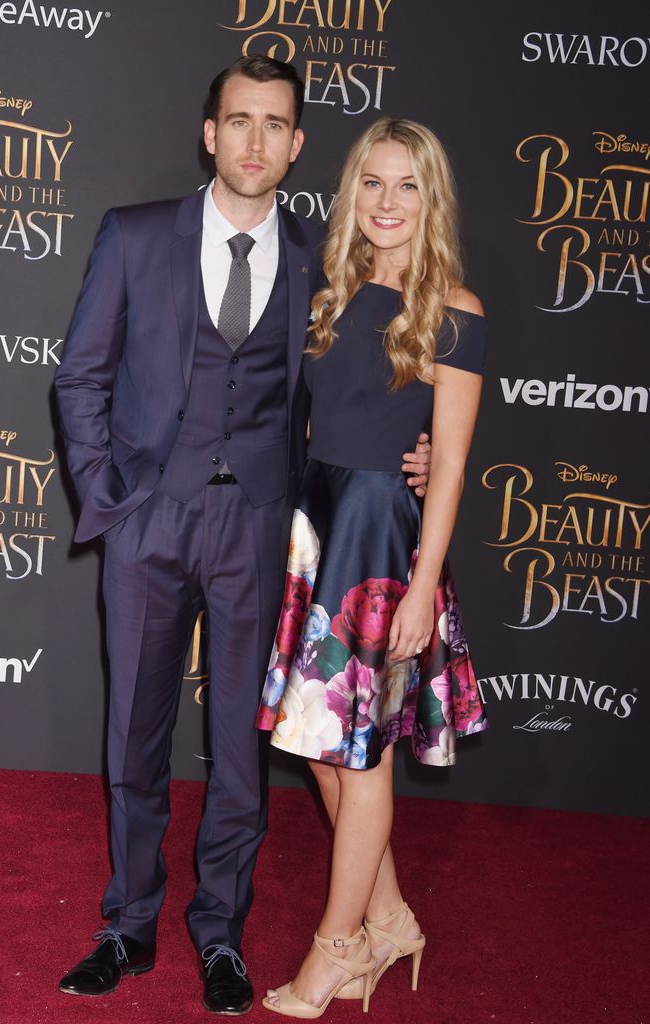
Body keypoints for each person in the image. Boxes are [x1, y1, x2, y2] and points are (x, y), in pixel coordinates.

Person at [54, 59, 431, 1015]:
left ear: (297, 144)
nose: (255, 141)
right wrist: (110, 498)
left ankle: (218, 930)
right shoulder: (137, 236)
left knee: (239, 746)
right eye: (239, 121)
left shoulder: (322, 256)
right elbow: (79, 377)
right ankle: (126, 923)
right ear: (209, 134)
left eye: (276, 125)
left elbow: (366, 387)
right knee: (134, 733)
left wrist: (416, 450)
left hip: (261, 525)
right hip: (151, 519)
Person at [256, 117, 489, 1018]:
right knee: (321, 750)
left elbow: (454, 460)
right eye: (372, 183)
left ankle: (336, 950)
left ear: (431, 201)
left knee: (359, 764)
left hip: (382, 546)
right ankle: (388, 917)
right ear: (351, 192)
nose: (387, 202)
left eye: (407, 186)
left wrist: (424, 584)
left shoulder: (455, 310)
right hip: (315, 530)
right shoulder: (328, 290)